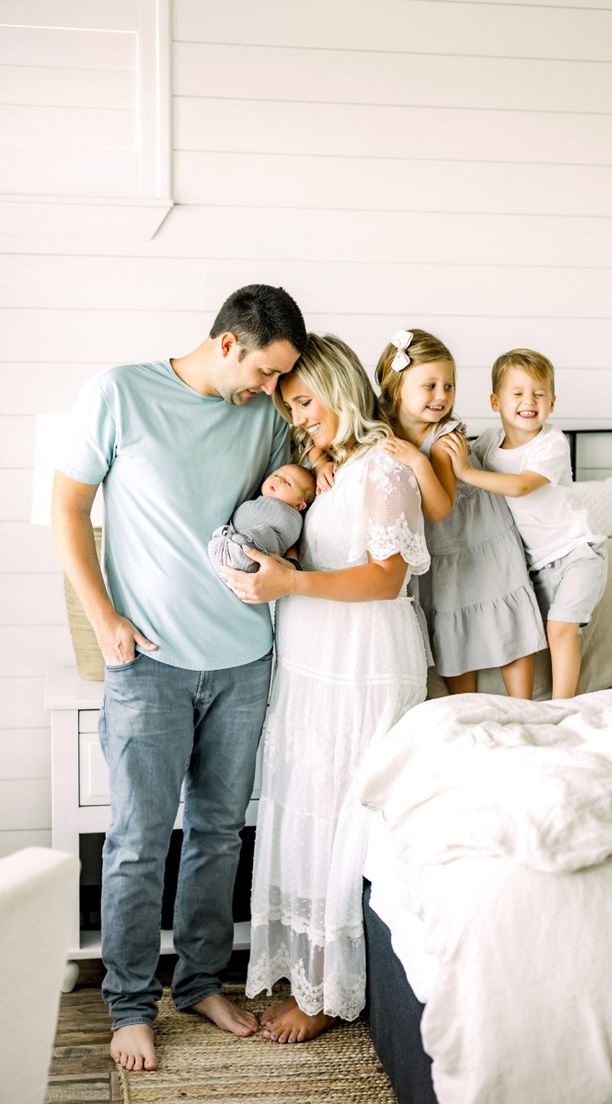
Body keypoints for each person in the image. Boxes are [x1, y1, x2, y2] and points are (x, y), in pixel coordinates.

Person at [50, 284, 307, 1073]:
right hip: (147, 662)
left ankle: (199, 983)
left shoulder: (262, 417)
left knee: (218, 835)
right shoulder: (120, 392)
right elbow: (68, 508)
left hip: (242, 660)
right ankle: (130, 1005)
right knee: (134, 845)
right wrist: (102, 617)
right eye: (265, 372)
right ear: (229, 343)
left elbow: (285, 508)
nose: (270, 392)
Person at [222, 332, 430, 1043]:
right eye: (293, 408)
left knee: (343, 806)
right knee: (307, 797)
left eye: (307, 402)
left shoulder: (386, 470)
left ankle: (329, 989)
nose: (302, 418)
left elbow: (388, 575)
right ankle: (308, 965)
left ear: (340, 387)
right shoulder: (335, 468)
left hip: (361, 656)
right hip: (315, 654)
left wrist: (293, 582)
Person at [374, 328, 546, 698]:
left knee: (504, 612)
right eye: (430, 385)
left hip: (479, 532)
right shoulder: (380, 429)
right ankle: (464, 708)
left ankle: (525, 705)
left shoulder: (445, 436)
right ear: (397, 387)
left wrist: (418, 462)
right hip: (440, 551)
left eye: (449, 386)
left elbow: (439, 509)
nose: (442, 396)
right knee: (453, 627)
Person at [444, 347, 607, 699]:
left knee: (561, 628)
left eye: (539, 393)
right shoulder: (488, 444)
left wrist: (467, 472)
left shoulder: (552, 443)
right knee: (532, 632)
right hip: (536, 566)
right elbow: (451, 456)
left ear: (552, 401)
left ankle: (563, 709)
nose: (528, 401)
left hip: (578, 554)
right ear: (495, 402)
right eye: (517, 393)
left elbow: (520, 485)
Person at [207, 463, 315, 578]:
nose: (278, 479)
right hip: (231, 539)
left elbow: (285, 536)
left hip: (251, 552)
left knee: (255, 539)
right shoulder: (258, 498)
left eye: (288, 483)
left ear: (298, 506)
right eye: (276, 474)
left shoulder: (290, 517)